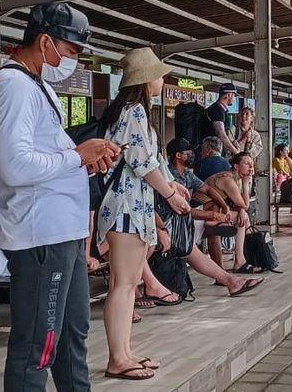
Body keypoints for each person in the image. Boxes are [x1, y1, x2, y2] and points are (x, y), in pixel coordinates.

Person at [0, 2, 121, 391]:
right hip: (39, 236)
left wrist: (84, 160)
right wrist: (77, 156)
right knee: (37, 347)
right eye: (72, 51)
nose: (73, 62)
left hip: (63, 234)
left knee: (71, 335)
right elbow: (15, 165)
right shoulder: (12, 87)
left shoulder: (36, 86)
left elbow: (47, 156)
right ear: (45, 42)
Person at [97, 47, 192, 380]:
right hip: (126, 207)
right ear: (146, 78)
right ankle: (117, 358)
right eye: (160, 74)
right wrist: (170, 193)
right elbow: (141, 163)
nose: (163, 80)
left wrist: (171, 186)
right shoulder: (134, 111)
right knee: (123, 284)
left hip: (133, 206)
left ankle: (124, 352)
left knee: (128, 282)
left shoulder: (127, 110)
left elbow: (152, 162)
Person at [160, 139, 263, 296]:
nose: (193, 155)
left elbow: (207, 189)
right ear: (178, 156)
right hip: (176, 223)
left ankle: (230, 279)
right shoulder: (167, 177)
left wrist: (224, 206)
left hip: (186, 222)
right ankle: (231, 276)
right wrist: (214, 214)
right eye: (188, 153)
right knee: (194, 246)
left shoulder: (187, 174)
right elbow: (183, 210)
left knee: (200, 243)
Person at [207, 83, 239, 156]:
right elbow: (221, 134)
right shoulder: (217, 110)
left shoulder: (221, 109)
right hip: (212, 153)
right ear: (229, 95)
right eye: (234, 95)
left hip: (218, 151)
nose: (234, 99)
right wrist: (236, 152)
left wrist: (231, 143)